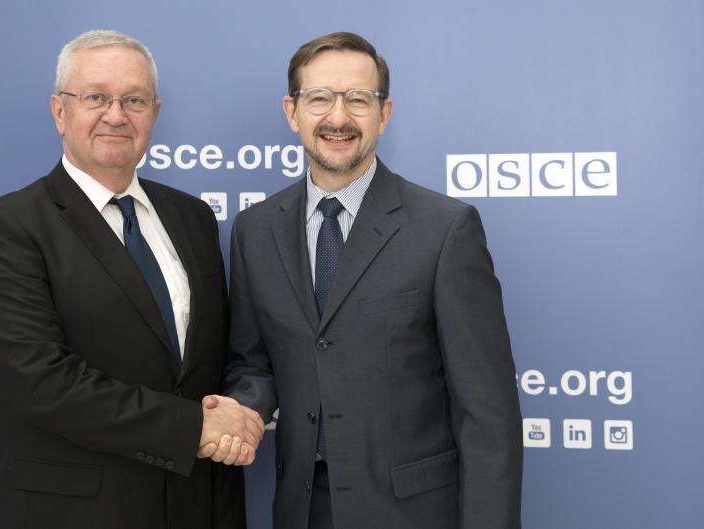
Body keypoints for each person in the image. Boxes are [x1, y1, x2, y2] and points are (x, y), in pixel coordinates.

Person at [215, 32, 523, 529]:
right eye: (319, 98)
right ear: (293, 112)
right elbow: (253, 363)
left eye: (358, 99)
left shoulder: (445, 229)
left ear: (384, 113)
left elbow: (487, 414)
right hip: (301, 508)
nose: (338, 118)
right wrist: (236, 412)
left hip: (413, 513)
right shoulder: (255, 230)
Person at [0, 29, 261, 529]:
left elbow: (214, 358)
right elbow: (40, 382)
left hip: (197, 502)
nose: (116, 115)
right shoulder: (10, 224)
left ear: (155, 113)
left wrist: (235, 416)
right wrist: (195, 427)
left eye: (134, 100)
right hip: (76, 512)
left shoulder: (192, 217)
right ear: (60, 111)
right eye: (96, 97)